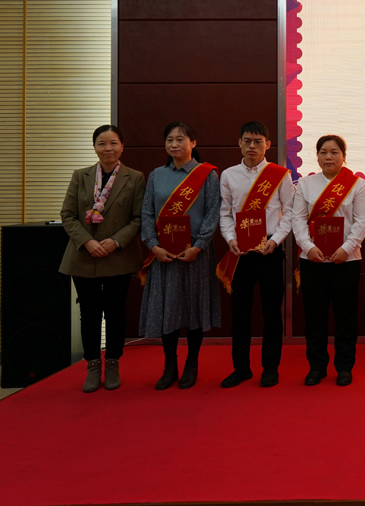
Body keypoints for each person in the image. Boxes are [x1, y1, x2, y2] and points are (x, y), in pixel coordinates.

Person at [59, 125, 146, 393]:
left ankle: (113, 363)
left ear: (122, 146)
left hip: (118, 254)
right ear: (94, 146)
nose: (108, 148)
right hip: (84, 255)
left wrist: (116, 241)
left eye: (113, 143)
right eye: (102, 143)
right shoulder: (81, 175)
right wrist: (87, 241)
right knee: (89, 313)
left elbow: (139, 218)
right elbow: (67, 215)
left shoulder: (135, 177)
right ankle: (92, 365)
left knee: (116, 312)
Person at [138, 122, 221, 390]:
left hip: (196, 254)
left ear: (193, 143)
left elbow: (213, 213)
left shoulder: (207, 174)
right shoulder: (156, 175)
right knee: (168, 311)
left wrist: (199, 245)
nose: (174, 144)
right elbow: (147, 213)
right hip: (164, 255)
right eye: (169, 140)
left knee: (194, 310)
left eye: (180, 139)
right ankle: (169, 366)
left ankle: (191, 364)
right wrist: (153, 246)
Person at [217, 121, 294, 389]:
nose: (252, 146)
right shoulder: (228, 175)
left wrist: (275, 240)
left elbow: (290, 212)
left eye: (258, 141)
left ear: (267, 145)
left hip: (269, 251)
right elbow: (225, 213)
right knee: (240, 313)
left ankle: (270, 368)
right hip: (241, 252)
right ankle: (241, 368)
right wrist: (230, 239)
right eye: (247, 141)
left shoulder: (280, 175)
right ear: (239, 143)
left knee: (272, 313)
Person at [291, 134, 365, 386]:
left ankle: (344, 367)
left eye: (335, 152)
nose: (329, 157)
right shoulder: (305, 184)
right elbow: (297, 220)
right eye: (323, 152)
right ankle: (316, 367)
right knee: (315, 316)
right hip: (312, 260)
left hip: (346, 261)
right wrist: (308, 247)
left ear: (344, 156)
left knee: (345, 316)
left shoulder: (357, 185)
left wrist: (346, 248)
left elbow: (362, 221)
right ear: (316, 156)